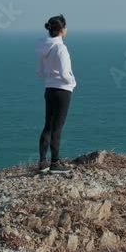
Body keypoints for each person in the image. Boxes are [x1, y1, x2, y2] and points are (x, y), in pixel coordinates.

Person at [35, 14, 76, 174]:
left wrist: (51, 76)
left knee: (48, 125)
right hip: (62, 90)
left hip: (49, 89)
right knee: (58, 128)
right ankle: (55, 163)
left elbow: (39, 71)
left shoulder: (44, 47)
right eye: (65, 27)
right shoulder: (60, 48)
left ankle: (42, 162)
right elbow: (65, 72)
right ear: (61, 30)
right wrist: (72, 82)